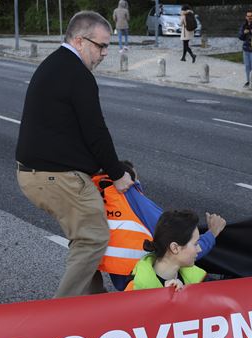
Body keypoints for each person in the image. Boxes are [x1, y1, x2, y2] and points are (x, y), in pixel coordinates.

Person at [16, 11, 133, 298]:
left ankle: (94, 307)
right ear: (80, 41)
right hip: (57, 177)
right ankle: (61, 318)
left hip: (36, 174)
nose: (105, 53)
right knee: (93, 238)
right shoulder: (78, 75)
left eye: (108, 46)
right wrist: (117, 174)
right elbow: (95, 132)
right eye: (101, 46)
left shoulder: (55, 64)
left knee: (84, 239)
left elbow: (71, 132)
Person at [93, 161, 226, 290]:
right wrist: (212, 234)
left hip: (120, 275)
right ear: (129, 180)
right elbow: (178, 242)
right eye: (137, 181)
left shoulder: (95, 200)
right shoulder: (136, 203)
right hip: (144, 279)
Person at [126, 210, 207, 291]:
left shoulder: (199, 277)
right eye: (195, 244)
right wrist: (163, 297)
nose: (199, 249)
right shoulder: (135, 289)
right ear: (175, 248)